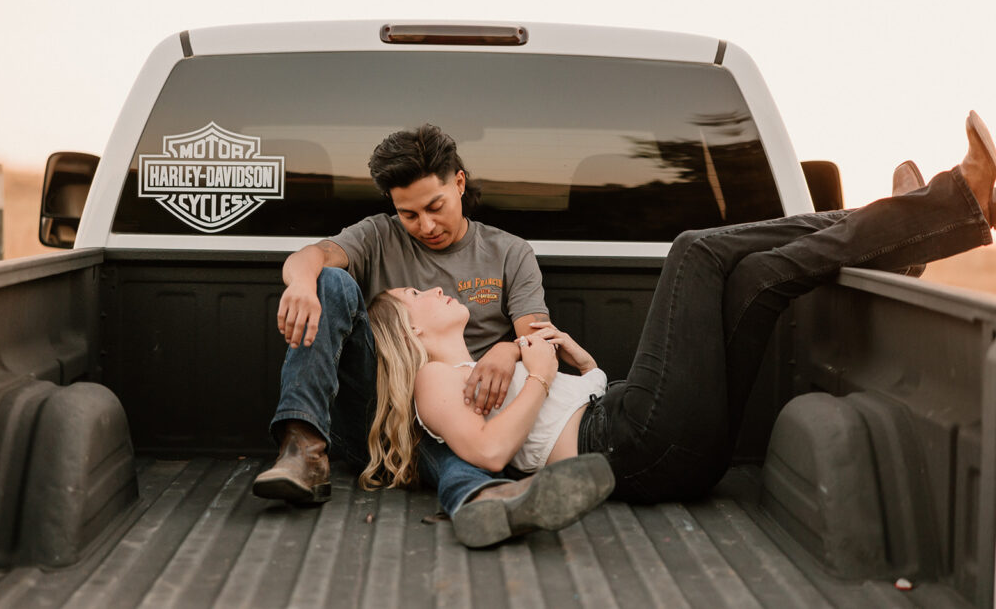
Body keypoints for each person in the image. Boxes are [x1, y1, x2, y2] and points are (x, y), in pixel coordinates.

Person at [362, 111, 996, 542]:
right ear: (411, 334)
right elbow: (495, 453)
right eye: (415, 293)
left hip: (656, 443)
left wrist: (572, 362)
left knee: (761, 278)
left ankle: (899, 235)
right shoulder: (433, 383)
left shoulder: (476, 352)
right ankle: (932, 208)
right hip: (632, 444)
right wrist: (537, 376)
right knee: (694, 248)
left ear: (460, 185)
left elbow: (556, 406)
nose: (430, 283)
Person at [253, 123, 613, 546]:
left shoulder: (509, 252)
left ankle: (483, 497)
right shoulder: (378, 235)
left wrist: (506, 349)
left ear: (459, 183)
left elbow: (539, 339)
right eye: (409, 214)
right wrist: (299, 283)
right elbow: (310, 256)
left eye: (435, 206)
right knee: (328, 280)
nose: (425, 225)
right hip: (376, 413)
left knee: (440, 431)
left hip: (458, 422)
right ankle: (303, 451)